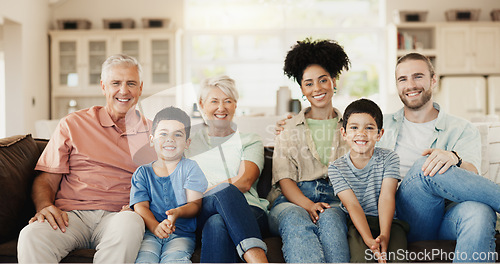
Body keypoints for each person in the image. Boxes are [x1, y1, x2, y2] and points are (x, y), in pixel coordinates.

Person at [17, 54, 155, 263]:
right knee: (31, 235)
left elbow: (163, 183)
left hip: (119, 216)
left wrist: (140, 207)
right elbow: (46, 179)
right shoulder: (73, 124)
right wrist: (44, 205)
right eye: (115, 83)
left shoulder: (155, 132)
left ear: (141, 88)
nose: (124, 91)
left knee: (130, 223)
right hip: (71, 216)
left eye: (131, 83)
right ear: (103, 86)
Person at [379, 53, 500, 262]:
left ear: (433, 80)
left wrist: (455, 159)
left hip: (447, 216)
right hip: (403, 218)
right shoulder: (380, 125)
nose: (410, 85)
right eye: (403, 79)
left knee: (480, 212)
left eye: (418, 76)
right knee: (424, 167)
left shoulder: (462, 128)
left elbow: (473, 176)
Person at [268, 38, 351, 263]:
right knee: (295, 217)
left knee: (332, 218)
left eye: (323, 80)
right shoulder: (288, 128)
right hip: (290, 200)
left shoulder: (352, 128)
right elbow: (284, 180)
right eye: (309, 83)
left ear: (333, 81)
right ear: (303, 89)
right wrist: (308, 205)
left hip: (334, 200)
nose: (317, 88)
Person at [184, 75, 269, 263]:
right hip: (201, 209)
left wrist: (207, 192)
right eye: (214, 101)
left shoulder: (250, 140)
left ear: (235, 105)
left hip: (249, 211)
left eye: (227, 101)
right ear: (201, 104)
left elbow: (245, 181)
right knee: (221, 199)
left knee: (217, 221)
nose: (221, 108)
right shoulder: (188, 143)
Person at [328, 98, 408, 263]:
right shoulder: (336, 168)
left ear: (379, 134)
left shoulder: (389, 158)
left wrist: (384, 235)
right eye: (354, 127)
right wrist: (368, 240)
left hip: (388, 222)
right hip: (357, 224)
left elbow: (386, 197)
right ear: (344, 133)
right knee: (361, 259)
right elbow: (352, 205)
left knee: (398, 259)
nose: (361, 134)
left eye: (369, 128)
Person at [130, 106, 208, 263]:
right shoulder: (142, 173)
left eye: (177, 134)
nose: (170, 139)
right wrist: (155, 227)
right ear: (152, 140)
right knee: (144, 259)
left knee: (175, 259)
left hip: (181, 234)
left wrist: (177, 213)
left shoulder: (190, 168)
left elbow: (195, 204)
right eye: (163, 133)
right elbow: (141, 206)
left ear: (187, 142)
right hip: (149, 233)